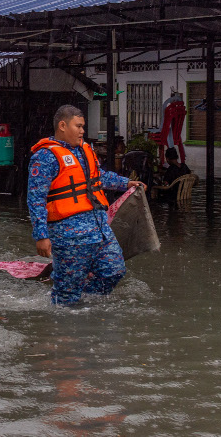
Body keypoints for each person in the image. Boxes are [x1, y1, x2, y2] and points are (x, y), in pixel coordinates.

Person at [27, 105, 143, 305]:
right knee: (67, 290)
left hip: (99, 229)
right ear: (63, 126)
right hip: (68, 234)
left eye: (83, 127)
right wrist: (41, 236)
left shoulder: (85, 150)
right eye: (78, 126)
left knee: (114, 270)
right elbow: (36, 198)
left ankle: (87, 306)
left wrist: (125, 183)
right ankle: (64, 319)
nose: (82, 131)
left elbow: (99, 178)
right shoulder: (45, 157)